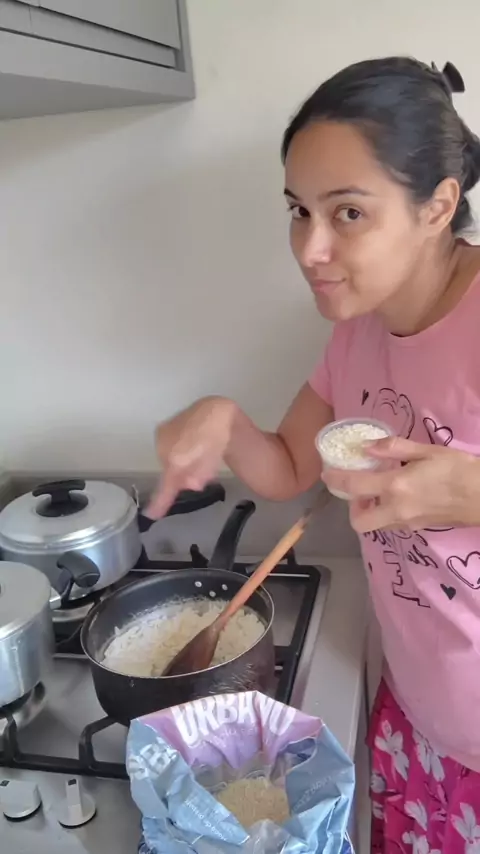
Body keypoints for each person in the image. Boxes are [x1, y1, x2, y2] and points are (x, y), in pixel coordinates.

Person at [147, 57, 480, 853]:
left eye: (348, 213)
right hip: (422, 717)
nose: (310, 248)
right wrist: (228, 423)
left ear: (437, 207)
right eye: (299, 210)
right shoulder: (358, 326)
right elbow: (293, 467)